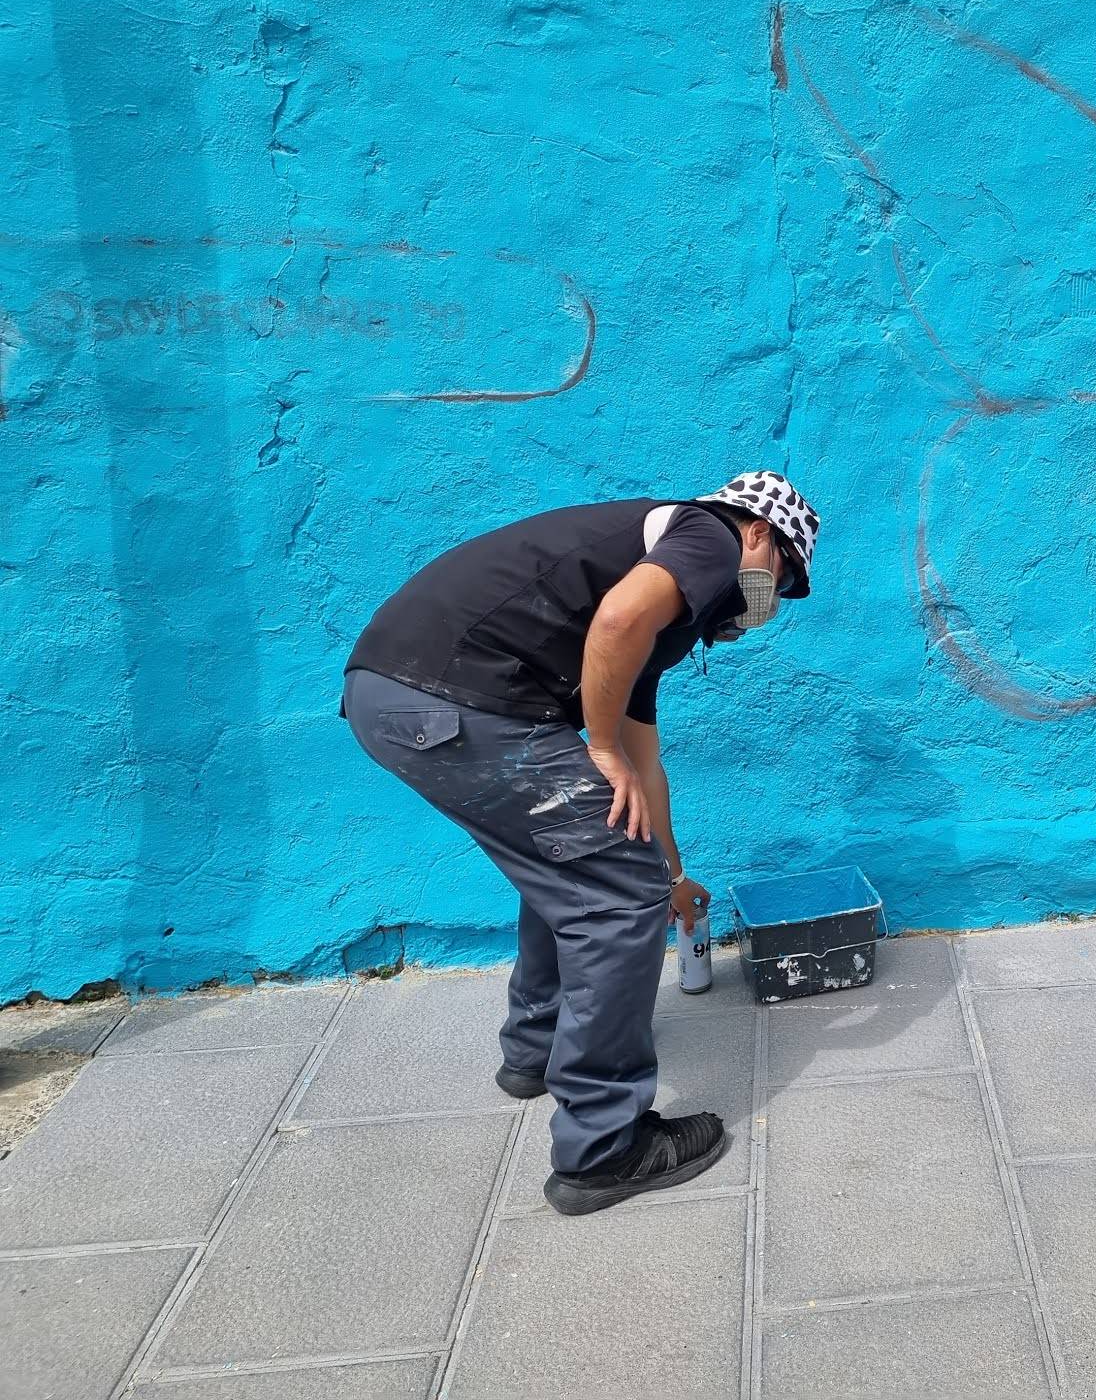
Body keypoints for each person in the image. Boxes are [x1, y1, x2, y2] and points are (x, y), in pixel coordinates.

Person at [341, 472, 820, 1213]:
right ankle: (603, 1149)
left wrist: (674, 873)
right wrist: (596, 746)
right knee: (610, 893)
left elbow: (642, 765)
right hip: (455, 698)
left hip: (396, 696)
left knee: (583, 857)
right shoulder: (711, 537)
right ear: (761, 532)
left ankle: (536, 1053)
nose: (769, 602)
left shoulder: (652, 626)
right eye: (782, 578)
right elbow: (620, 625)